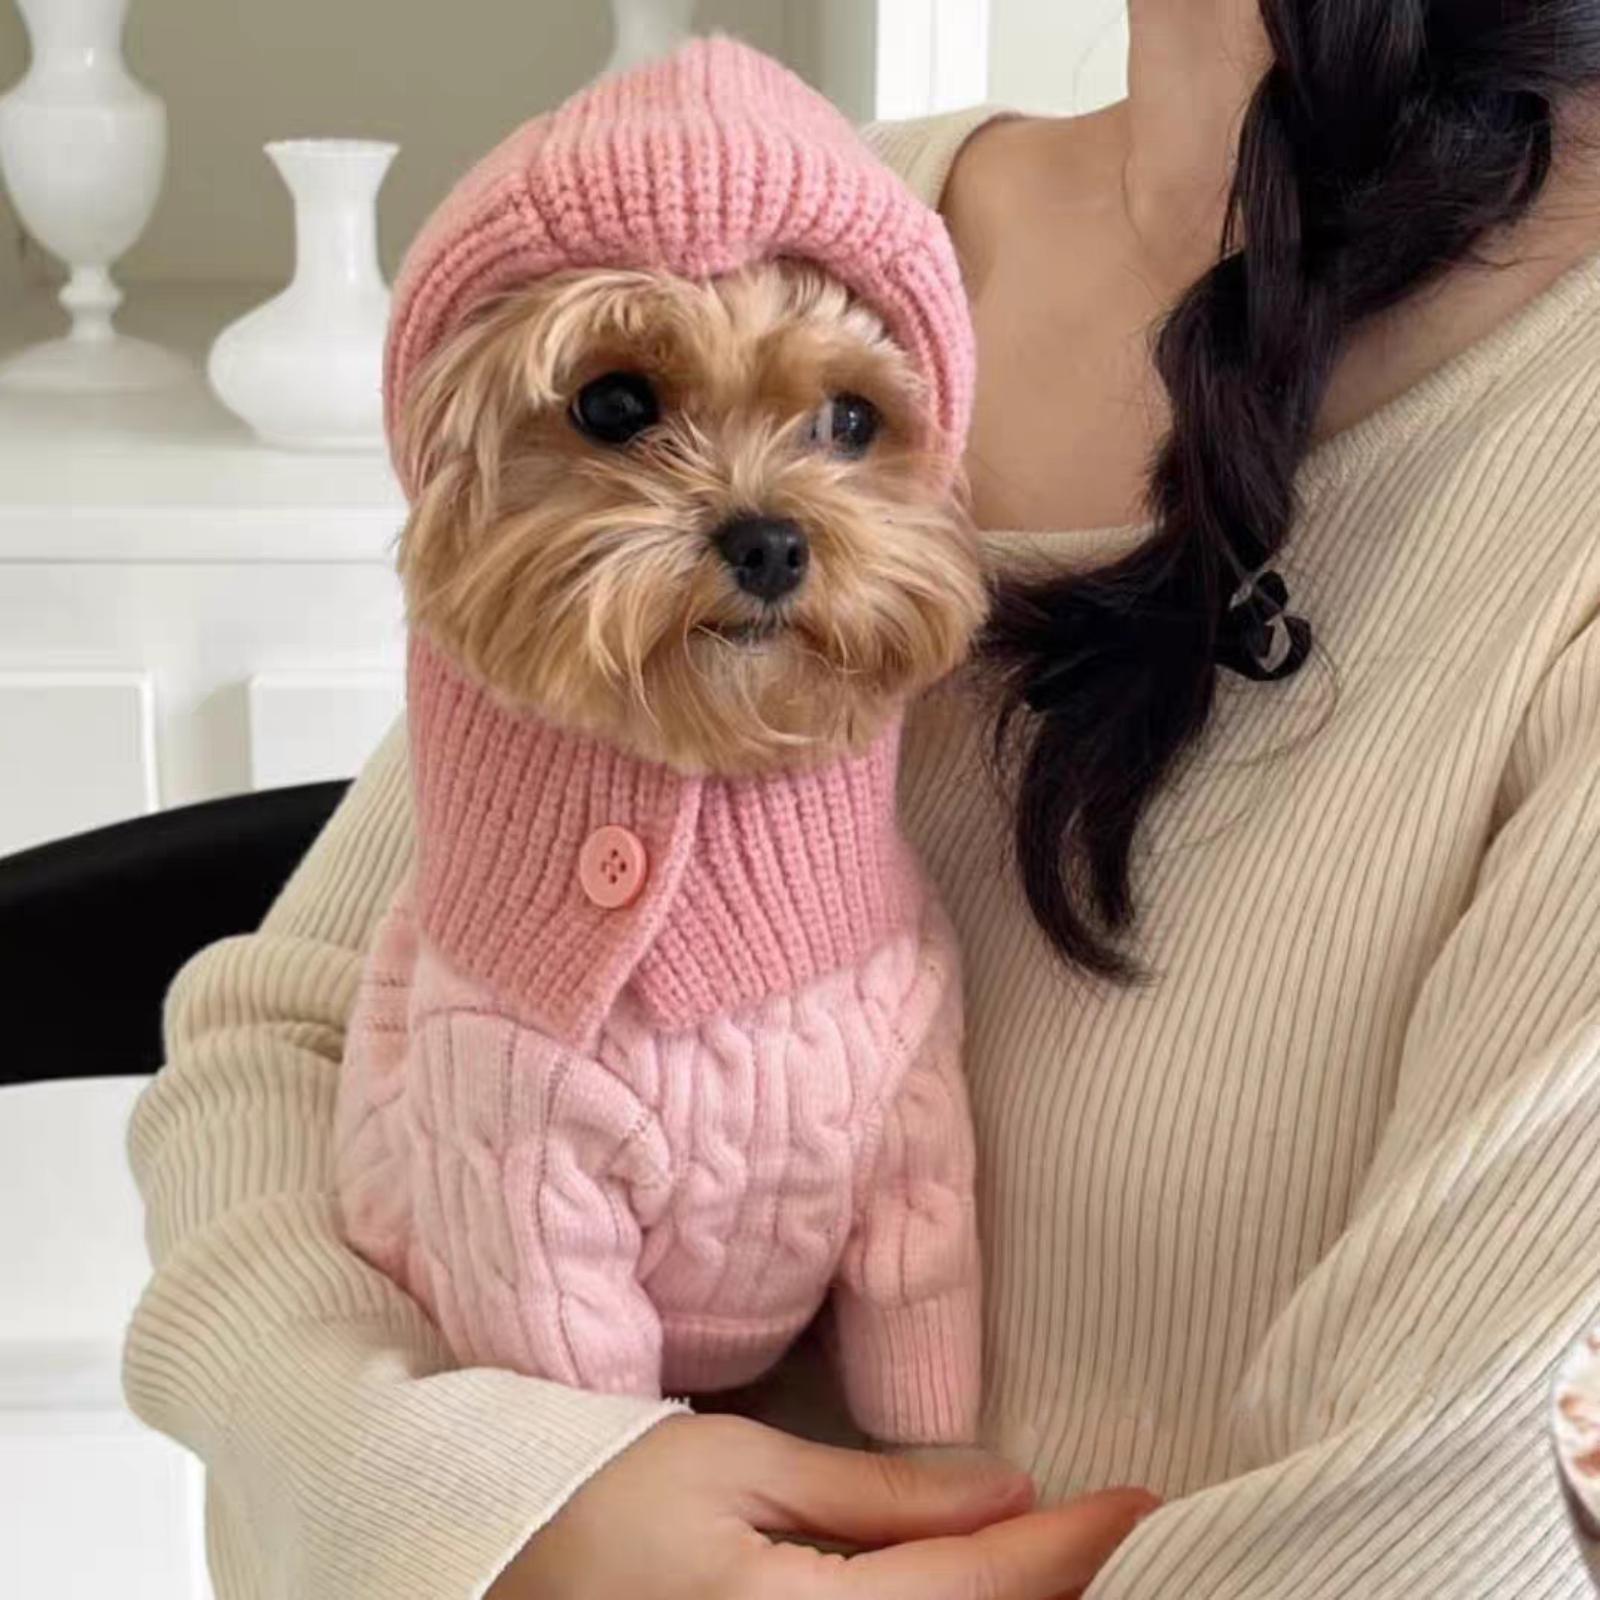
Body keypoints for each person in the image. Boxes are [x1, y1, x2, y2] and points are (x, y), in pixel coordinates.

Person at [124, 2, 1600, 1595]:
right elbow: (291, 1044)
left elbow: (1439, 1542)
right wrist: (491, 1511)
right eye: (627, 413)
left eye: (844, 428)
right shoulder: (762, 227)